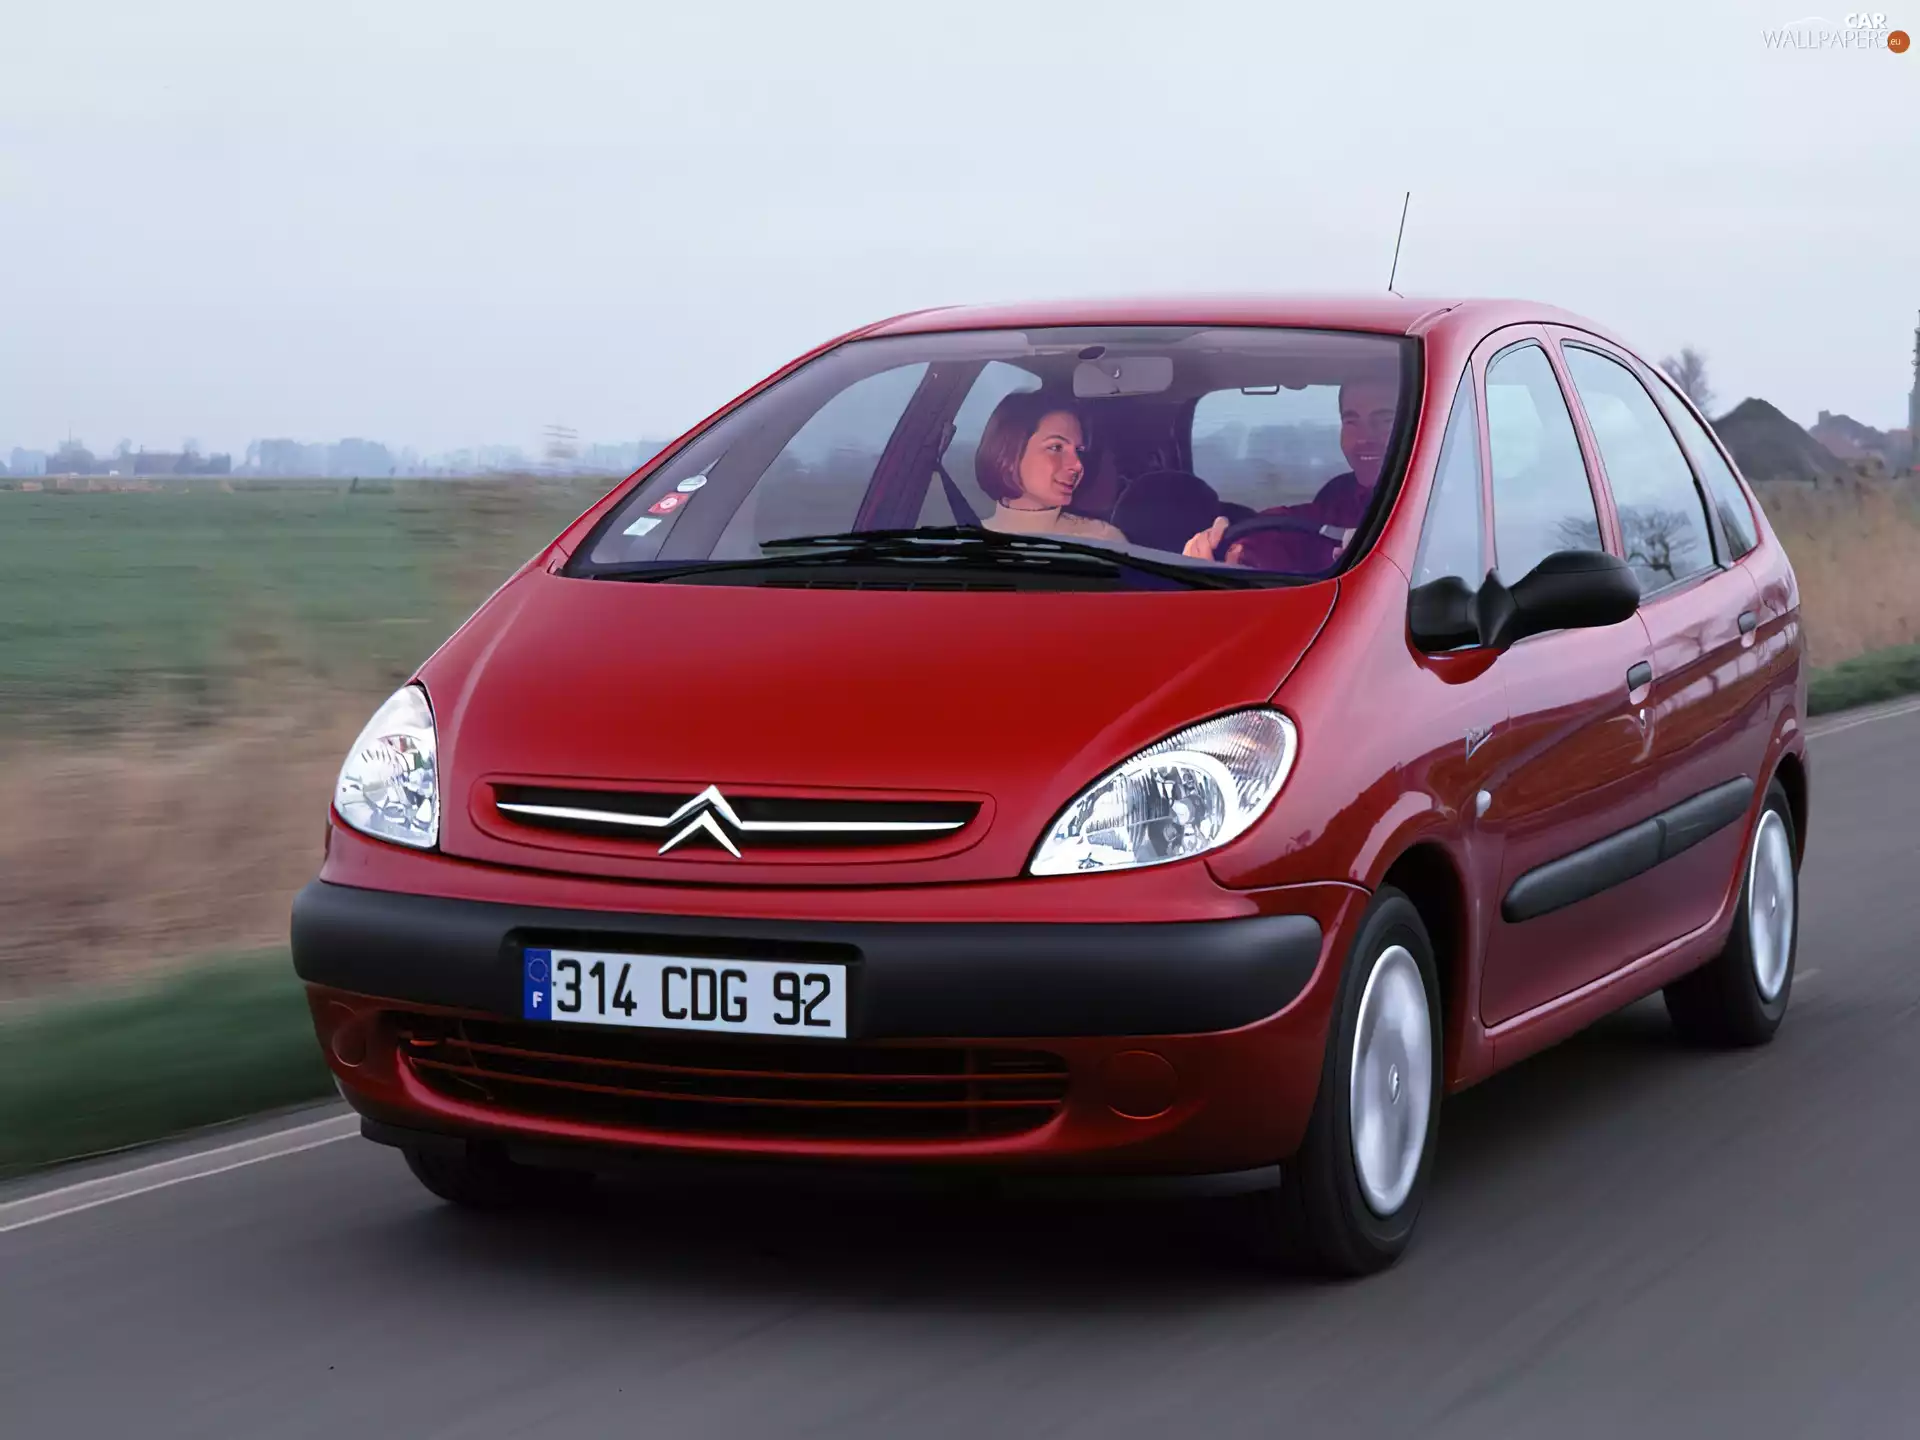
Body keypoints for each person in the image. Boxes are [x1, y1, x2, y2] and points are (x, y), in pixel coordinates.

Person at [1183, 374, 1400, 568]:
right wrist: (1235, 547)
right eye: (1351, 422)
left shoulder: (1431, 512)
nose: (1364, 438)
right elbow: (1291, 528)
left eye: (1385, 421)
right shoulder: (1340, 494)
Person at [976, 391, 1125, 542]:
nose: (1078, 465)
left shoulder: (1103, 541)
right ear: (1008, 452)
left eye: (1078, 451)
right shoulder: (967, 541)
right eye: (1056, 448)